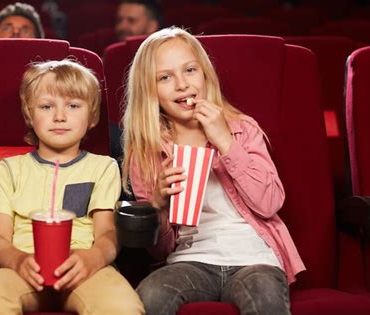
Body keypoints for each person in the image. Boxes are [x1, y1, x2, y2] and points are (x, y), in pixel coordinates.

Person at [121, 27, 305, 315]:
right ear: (150, 92)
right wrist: (158, 205)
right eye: (165, 77)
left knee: (266, 298)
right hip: (190, 261)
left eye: (190, 70)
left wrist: (226, 143)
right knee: (151, 294)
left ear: (205, 75)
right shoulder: (146, 153)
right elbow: (160, 251)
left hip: (255, 259)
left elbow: (270, 204)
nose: (181, 84)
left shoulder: (242, 130)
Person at [0, 59, 144, 315]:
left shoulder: (103, 167)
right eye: (47, 106)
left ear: (92, 116)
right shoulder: (9, 169)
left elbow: (107, 233)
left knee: (122, 307)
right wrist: (18, 260)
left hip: (84, 268)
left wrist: (93, 259)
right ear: (29, 114)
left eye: (73, 106)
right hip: (25, 268)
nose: (59, 117)